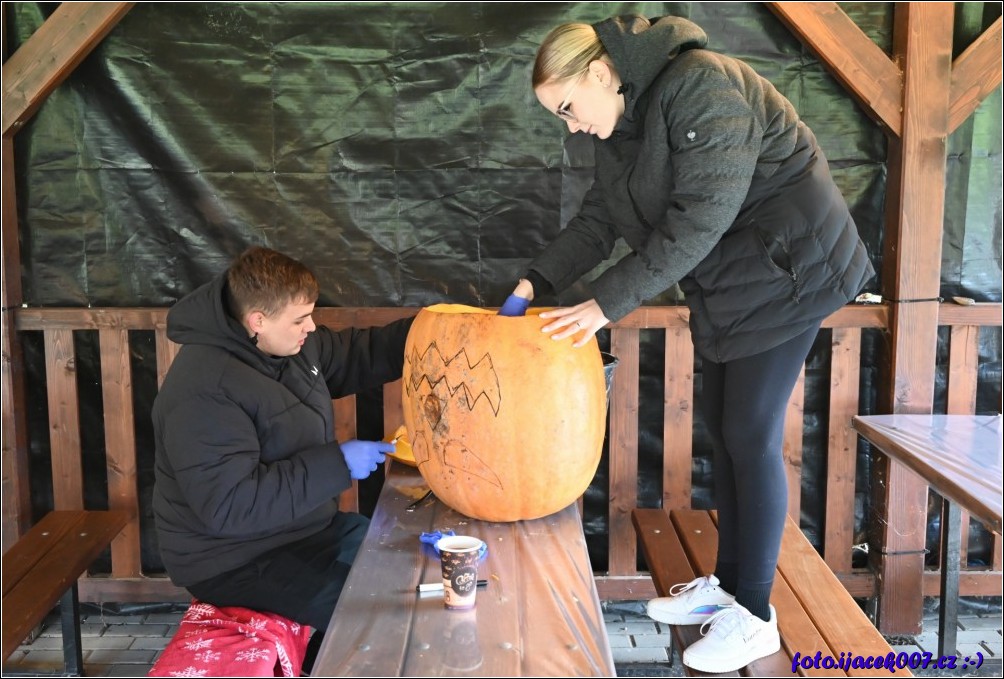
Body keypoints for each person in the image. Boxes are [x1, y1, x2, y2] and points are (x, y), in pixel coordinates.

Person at [501, 15, 874, 673]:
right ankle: (728, 590)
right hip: (732, 284)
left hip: (789, 274)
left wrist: (598, 306)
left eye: (566, 108)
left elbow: (696, 224)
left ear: (599, 73)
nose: (570, 125)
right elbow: (600, 218)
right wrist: (538, 280)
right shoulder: (625, 122)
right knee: (725, 430)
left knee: (751, 434)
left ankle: (754, 618)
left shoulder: (702, 86)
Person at [152, 246, 413, 669]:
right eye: (300, 319)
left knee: (401, 564)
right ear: (258, 320)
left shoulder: (291, 346)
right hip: (234, 559)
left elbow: (360, 352)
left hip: (303, 529)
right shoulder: (203, 391)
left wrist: (433, 327)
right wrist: (339, 464)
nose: (311, 326)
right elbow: (231, 507)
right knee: (366, 614)